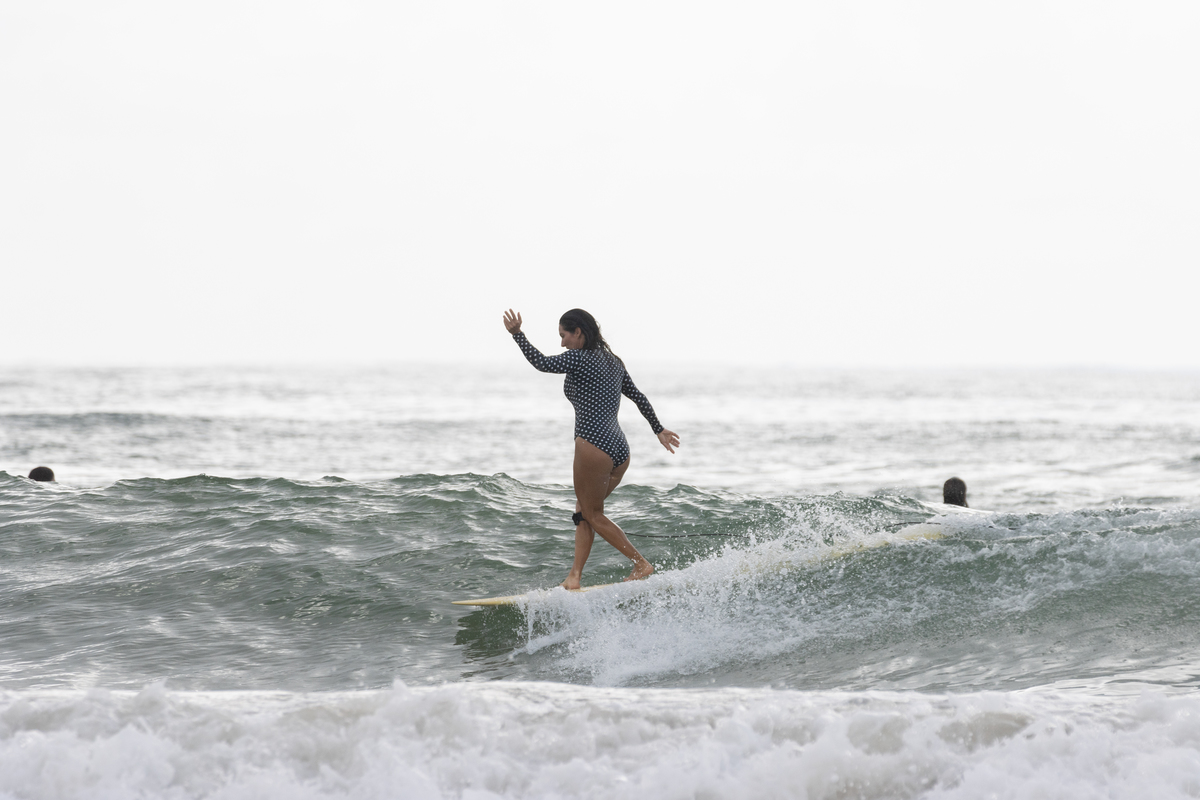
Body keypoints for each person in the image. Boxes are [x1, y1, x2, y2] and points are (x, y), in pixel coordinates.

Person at [503, 308, 679, 589]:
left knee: (593, 513)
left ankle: (640, 563)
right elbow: (638, 396)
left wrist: (517, 335)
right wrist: (658, 429)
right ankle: (574, 577)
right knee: (585, 510)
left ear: (578, 333)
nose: (562, 343)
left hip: (593, 443)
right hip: (620, 449)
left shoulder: (579, 357)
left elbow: (541, 363)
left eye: (564, 336)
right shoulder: (614, 362)